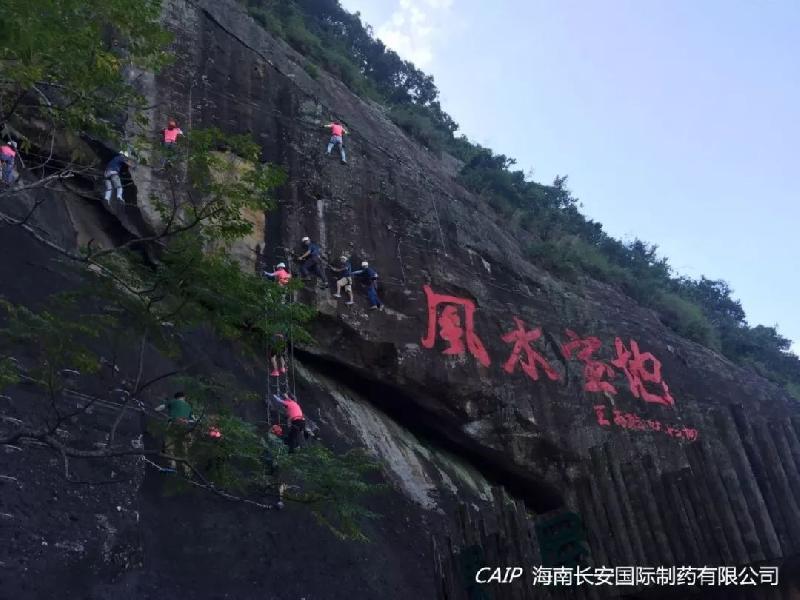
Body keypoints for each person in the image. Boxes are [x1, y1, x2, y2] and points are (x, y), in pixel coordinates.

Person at [155, 391, 195, 473]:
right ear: (183, 397)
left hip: (174, 425)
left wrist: (155, 410)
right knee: (184, 448)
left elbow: (161, 407)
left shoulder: (173, 401)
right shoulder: (188, 406)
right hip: (185, 428)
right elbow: (194, 419)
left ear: (176, 397)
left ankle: (172, 466)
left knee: (169, 445)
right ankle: (187, 470)